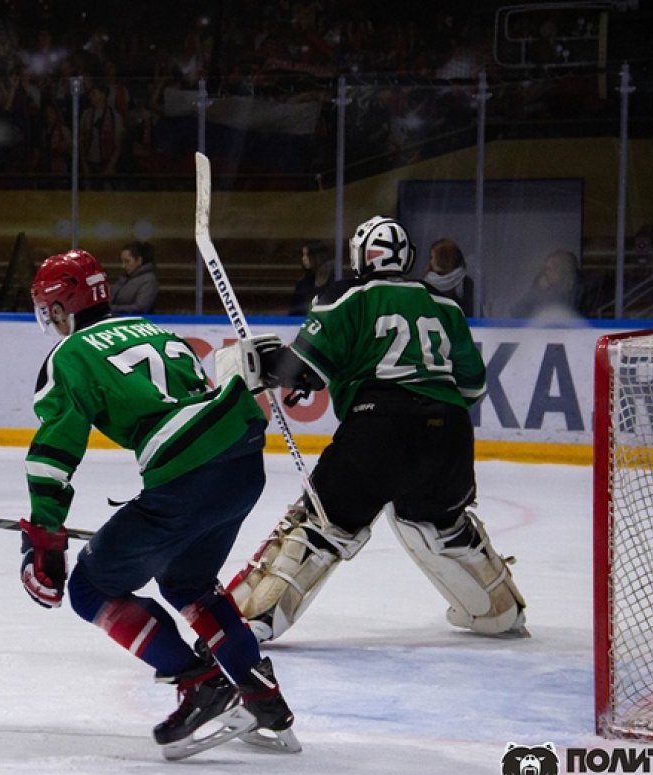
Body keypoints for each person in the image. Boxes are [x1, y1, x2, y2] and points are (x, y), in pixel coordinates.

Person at [19, 249, 298, 759]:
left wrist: (45, 537)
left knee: (89, 587)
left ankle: (201, 684)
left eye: (50, 308)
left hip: (185, 477)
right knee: (188, 583)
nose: (51, 321)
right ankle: (260, 694)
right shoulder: (156, 331)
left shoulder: (69, 356)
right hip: (241, 462)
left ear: (62, 306)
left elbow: (55, 451)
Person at [225, 216, 527, 643]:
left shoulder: (346, 295)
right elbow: (473, 386)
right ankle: (502, 610)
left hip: (378, 429)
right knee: (441, 523)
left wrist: (264, 364)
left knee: (323, 522)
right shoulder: (445, 303)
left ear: (359, 253)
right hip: (450, 434)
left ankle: (254, 616)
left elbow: (304, 369)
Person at [510, 250, 584, 322]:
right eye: (545, 269)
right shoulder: (540, 287)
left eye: (550, 269)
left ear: (564, 270)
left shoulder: (582, 290)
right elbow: (517, 312)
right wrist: (539, 290)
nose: (545, 273)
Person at [423, 237, 474, 316]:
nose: (431, 261)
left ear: (444, 258)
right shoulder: (426, 284)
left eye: (433, 257)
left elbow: (468, 313)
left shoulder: (465, 283)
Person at [109, 240, 158, 314]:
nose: (123, 266)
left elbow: (141, 308)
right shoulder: (124, 278)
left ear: (139, 260)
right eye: (122, 261)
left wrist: (112, 309)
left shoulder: (149, 280)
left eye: (127, 261)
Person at [287, 240, 333, 316]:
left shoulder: (334, 280)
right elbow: (294, 311)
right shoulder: (303, 284)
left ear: (318, 256)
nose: (303, 259)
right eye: (303, 255)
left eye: (306, 255)